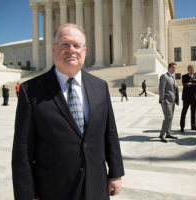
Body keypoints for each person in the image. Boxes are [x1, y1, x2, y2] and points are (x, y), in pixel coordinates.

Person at [12, 23, 124, 200]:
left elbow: (110, 133)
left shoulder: (100, 86)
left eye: (77, 45)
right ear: (53, 48)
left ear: (84, 51)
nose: (71, 50)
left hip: (96, 185)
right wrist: (27, 194)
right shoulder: (31, 91)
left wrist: (116, 173)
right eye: (64, 44)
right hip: (54, 189)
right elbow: (23, 150)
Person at [159, 63, 179, 143]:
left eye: (175, 68)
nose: (174, 69)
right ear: (169, 68)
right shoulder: (164, 76)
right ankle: (162, 134)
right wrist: (162, 99)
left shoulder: (172, 78)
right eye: (173, 68)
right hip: (166, 100)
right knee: (168, 117)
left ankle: (168, 133)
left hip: (172, 101)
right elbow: (161, 88)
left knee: (170, 117)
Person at [180, 65, 196, 133]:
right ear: (188, 70)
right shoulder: (184, 76)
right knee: (184, 112)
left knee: (193, 112)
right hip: (186, 98)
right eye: (190, 70)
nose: (192, 71)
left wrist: (191, 84)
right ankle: (182, 127)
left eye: (193, 70)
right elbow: (185, 85)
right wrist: (192, 84)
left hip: (194, 97)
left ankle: (193, 126)